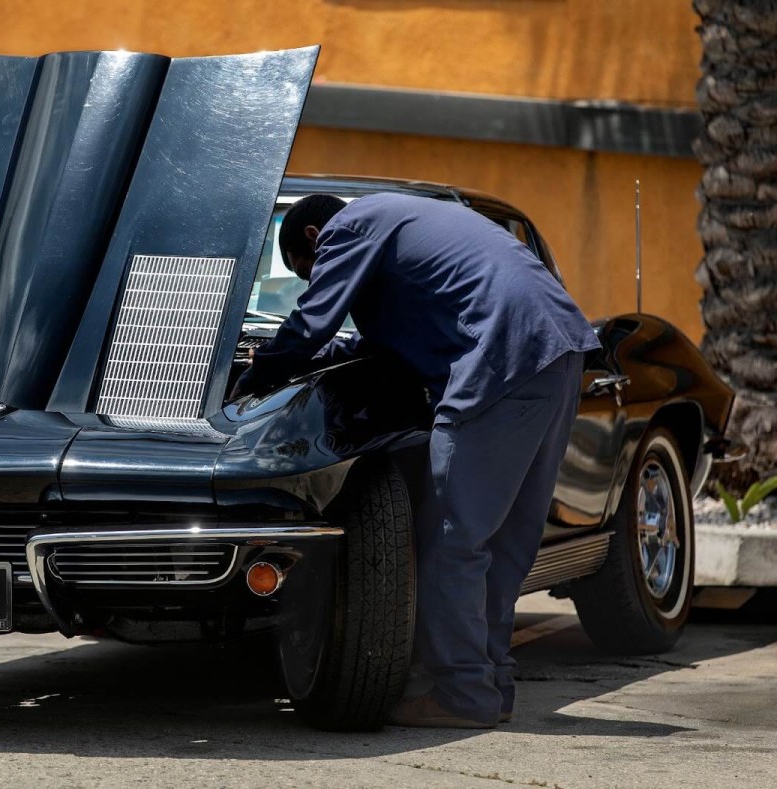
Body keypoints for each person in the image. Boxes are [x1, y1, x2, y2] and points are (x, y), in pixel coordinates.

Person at [234, 192, 600, 728]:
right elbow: (371, 343)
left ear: (313, 237)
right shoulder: (400, 222)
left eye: (306, 271)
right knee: (501, 543)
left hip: (499, 355)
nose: (315, 279)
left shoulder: (348, 228)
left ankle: (462, 695)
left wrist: (251, 380)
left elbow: (313, 323)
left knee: (450, 539)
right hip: (557, 351)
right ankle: (489, 684)